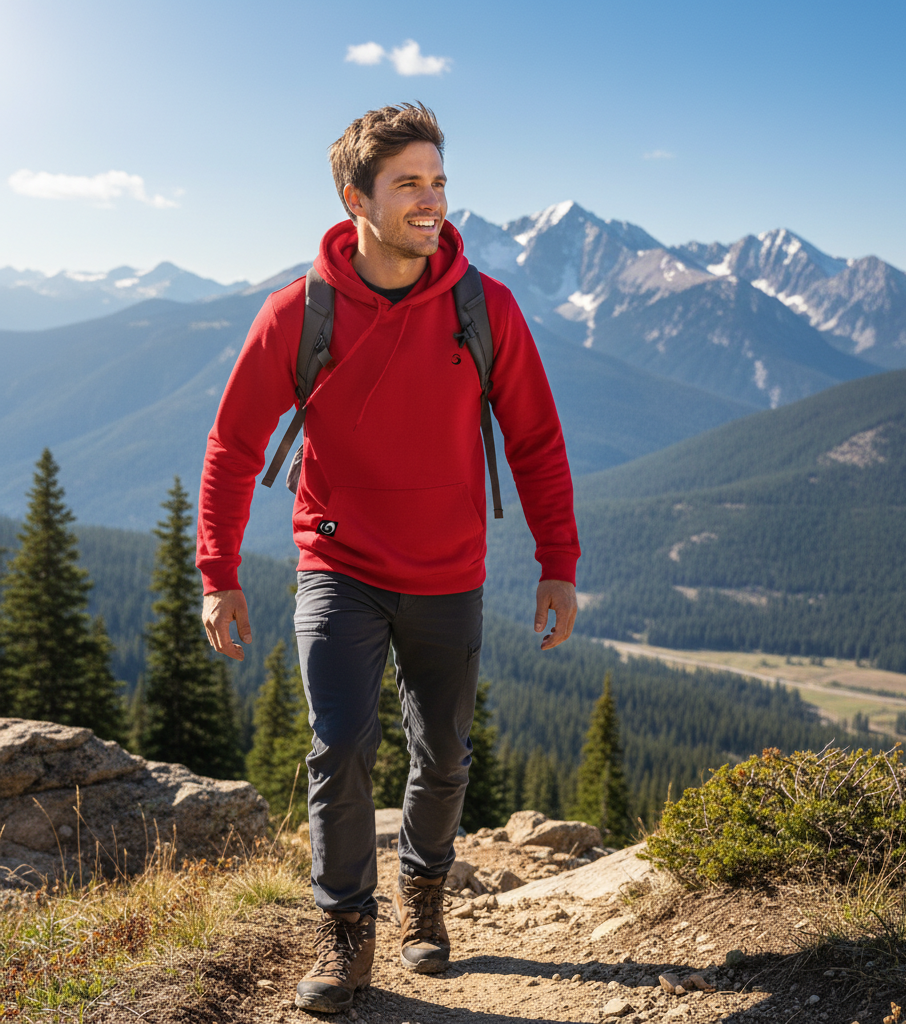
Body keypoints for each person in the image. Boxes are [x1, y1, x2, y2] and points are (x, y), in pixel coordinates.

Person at [197, 102, 580, 1013]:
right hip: (339, 568)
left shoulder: (485, 308)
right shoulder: (300, 313)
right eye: (408, 183)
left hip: (450, 571)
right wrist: (218, 574)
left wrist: (557, 562)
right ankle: (344, 931)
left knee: (443, 755)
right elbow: (232, 446)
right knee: (340, 746)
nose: (431, 199)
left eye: (438, 180)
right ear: (356, 199)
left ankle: (425, 892)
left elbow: (536, 440)